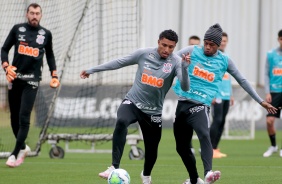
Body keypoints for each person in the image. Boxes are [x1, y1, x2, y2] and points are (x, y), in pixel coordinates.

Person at [80, 29, 191, 184]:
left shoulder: (177, 62)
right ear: (158, 41)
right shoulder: (143, 54)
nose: (167, 50)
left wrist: (185, 68)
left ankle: (146, 175)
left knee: (152, 150)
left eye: (171, 47)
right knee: (121, 121)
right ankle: (113, 167)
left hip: (154, 112)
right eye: (164, 45)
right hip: (133, 103)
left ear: (175, 47)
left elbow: (185, 87)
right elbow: (119, 62)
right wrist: (92, 70)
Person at [173, 23, 277, 184]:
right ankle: (194, 179)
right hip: (182, 104)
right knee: (181, 148)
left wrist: (261, 101)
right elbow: (170, 59)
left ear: (218, 45)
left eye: (212, 45)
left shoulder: (224, 60)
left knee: (204, 133)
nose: (207, 47)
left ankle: (208, 172)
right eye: (206, 43)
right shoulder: (192, 50)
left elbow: (242, 80)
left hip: (200, 105)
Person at [1, 3, 60, 168]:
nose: (35, 16)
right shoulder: (17, 29)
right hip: (14, 79)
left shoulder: (45, 34)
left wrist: (54, 74)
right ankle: (22, 147)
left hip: (32, 80)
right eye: (32, 13)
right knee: (13, 117)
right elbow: (4, 49)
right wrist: (6, 66)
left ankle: (14, 154)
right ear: (27, 14)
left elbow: (50, 56)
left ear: (41, 15)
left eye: (37, 13)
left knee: (24, 116)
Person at [210, 32, 234, 158]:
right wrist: (212, 94)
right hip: (217, 94)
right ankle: (209, 147)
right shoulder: (213, 57)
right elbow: (211, 77)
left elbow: (228, 77)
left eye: (225, 41)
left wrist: (231, 94)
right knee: (217, 120)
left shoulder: (226, 57)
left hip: (226, 95)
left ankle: (215, 148)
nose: (223, 43)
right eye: (221, 41)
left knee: (222, 121)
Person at [262, 29, 282, 158]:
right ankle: (273, 146)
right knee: (269, 121)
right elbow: (266, 73)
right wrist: (267, 91)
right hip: (274, 92)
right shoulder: (271, 54)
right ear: (279, 39)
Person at [187, 35, 201, 155]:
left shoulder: (203, 61)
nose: (193, 47)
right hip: (187, 95)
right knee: (188, 123)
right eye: (191, 44)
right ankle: (189, 145)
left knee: (203, 124)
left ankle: (203, 146)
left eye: (196, 45)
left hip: (202, 97)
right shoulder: (183, 60)